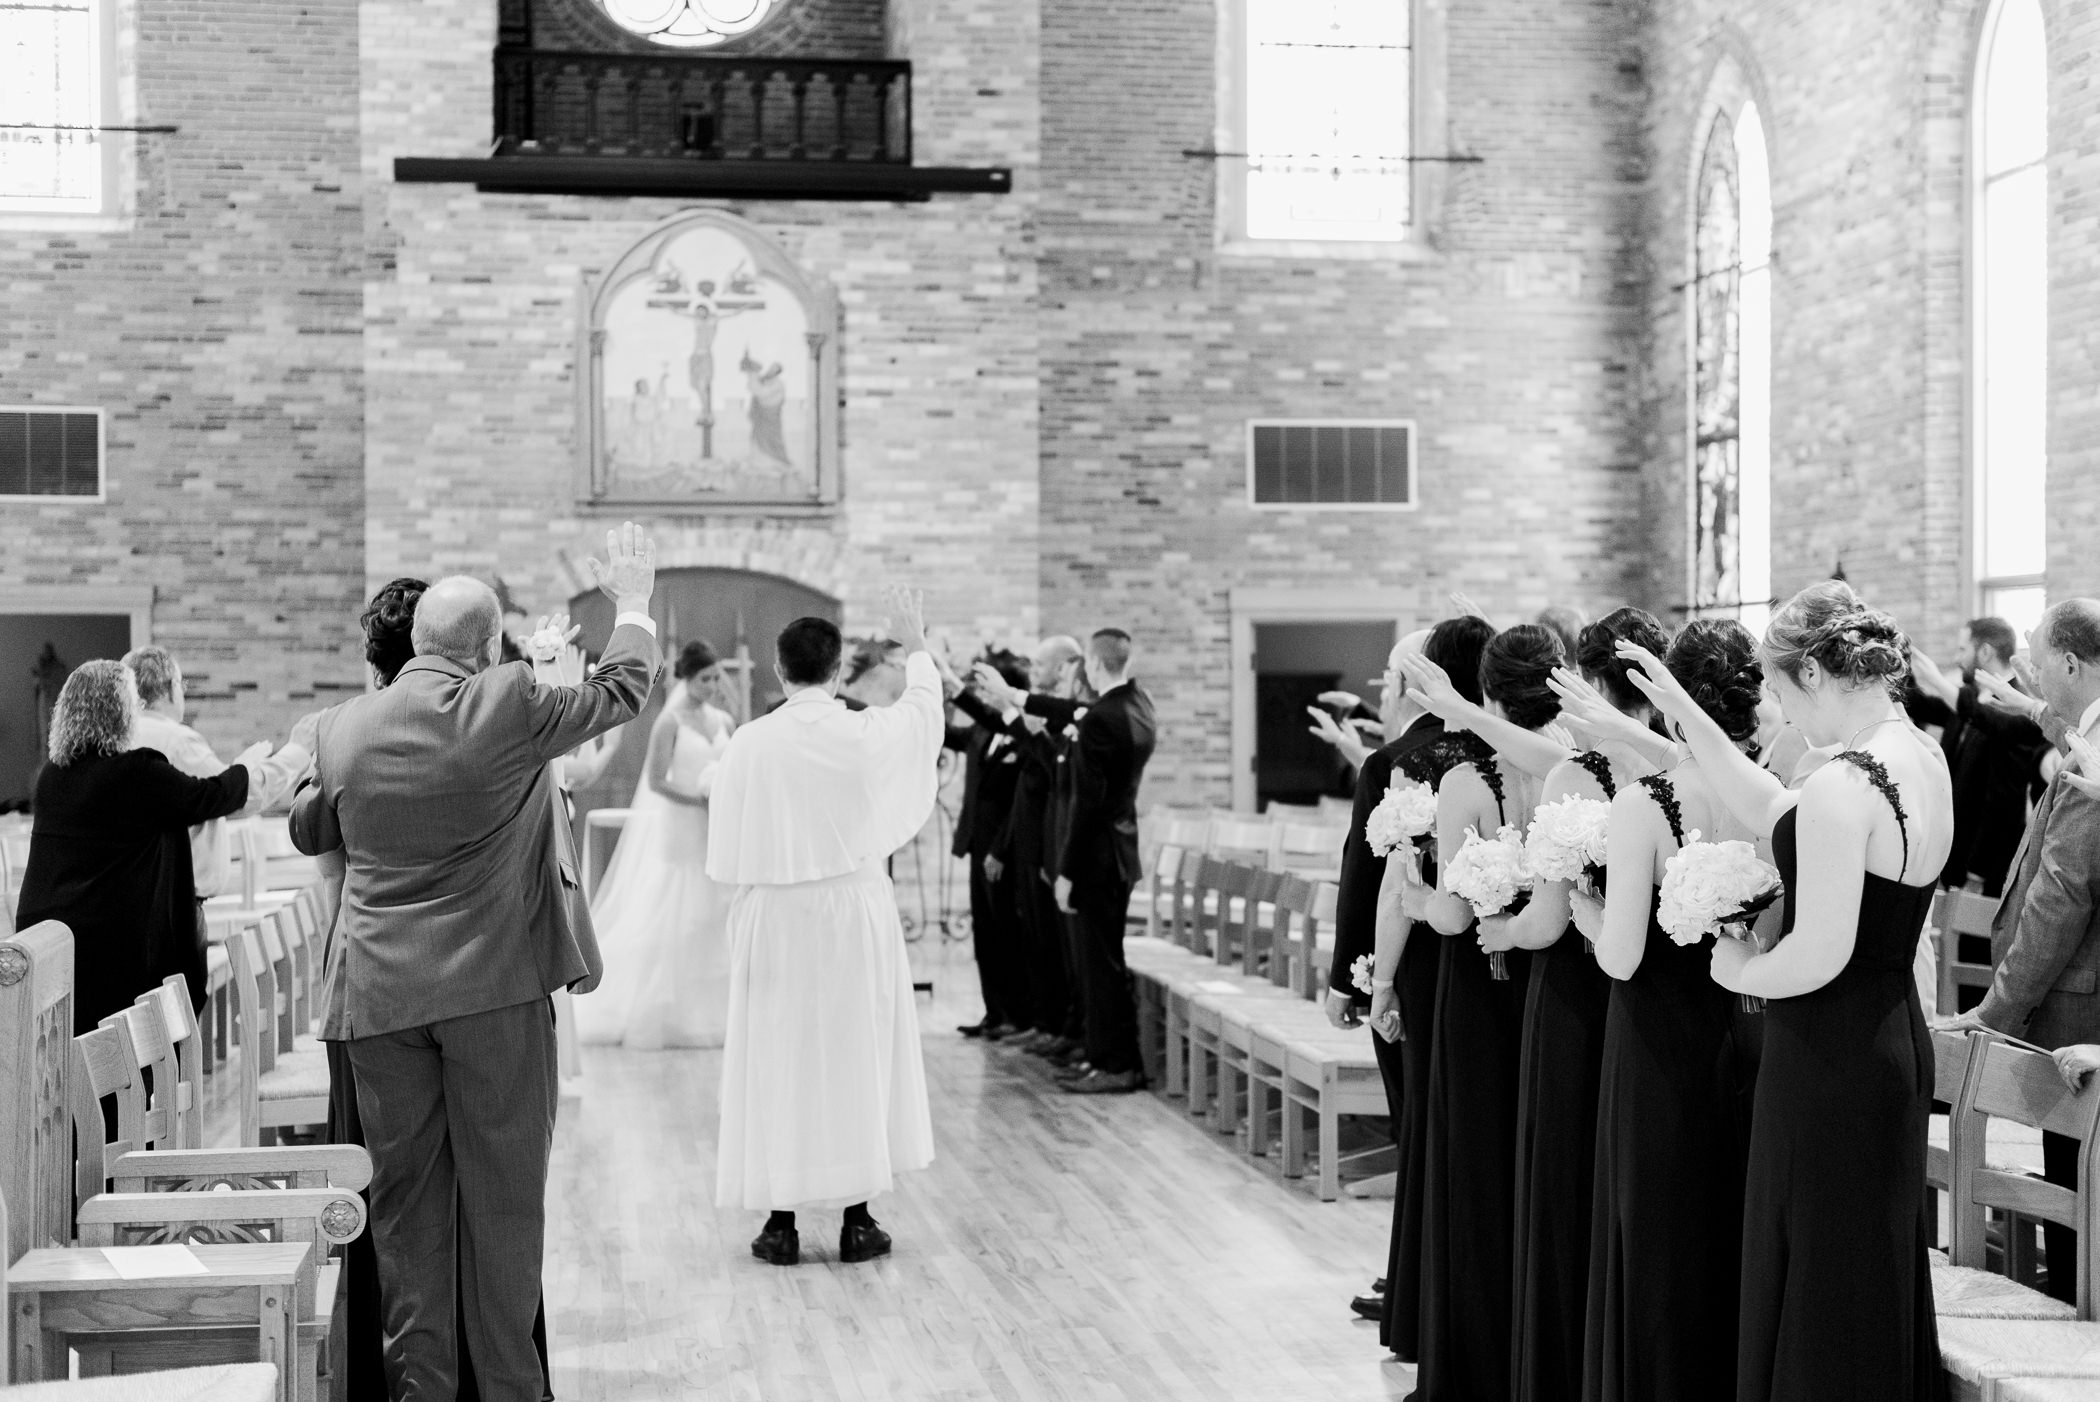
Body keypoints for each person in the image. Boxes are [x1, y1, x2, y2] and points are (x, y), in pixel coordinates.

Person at [291, 525, 660, 1400]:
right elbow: (623, 687)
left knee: (406, 1215)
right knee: (501, 1209)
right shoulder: (508, 703)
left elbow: (312, 822)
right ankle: (510, 1390)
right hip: (492, 993)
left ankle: (423, 1390)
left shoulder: (341, 728)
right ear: (491, 646)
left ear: (415, 641)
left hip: (379, 999)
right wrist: (635, 603)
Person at [1628, 582, 1952, 1401]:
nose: (1778, 711)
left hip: (1830, 1052)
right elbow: (1776, 809)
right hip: (1890, 1037)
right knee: (1858, 1259)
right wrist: (1683, 712)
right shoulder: (1917, 754)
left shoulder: (1845, 782)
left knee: (1819, 1264)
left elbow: (1817, 952)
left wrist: (1738, 973)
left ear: (1813, 672)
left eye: (1778, 690)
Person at [709, 594, 944, 1266]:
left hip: (774, 912)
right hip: (851, 912)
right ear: (838, 673)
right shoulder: (864, 732)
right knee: (854, 1052)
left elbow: (725, 850)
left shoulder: (750, 742)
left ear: (779, 674)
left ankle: (779, 1223)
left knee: (776, 1054)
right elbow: (924, 717)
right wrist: (915, 644)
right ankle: (857, 1220)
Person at [1578, 620, 1764, 1402]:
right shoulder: (1775, 798)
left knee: (1654, 1241)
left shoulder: (1644, 804)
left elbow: (1620, 956)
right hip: (1747, 1037)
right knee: (1729, 1233)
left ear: (1670, 702)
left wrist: (1582, 909)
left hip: (1655, 1046)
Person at [1493, 608, 1670, 1402]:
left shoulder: (1577, 775)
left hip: (1574, 995)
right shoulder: (1690, 767)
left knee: (1565, 1182)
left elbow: (1548, 920)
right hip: (1661, 1001)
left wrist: (1496, 923)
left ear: (1591, 683)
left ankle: (1563, 1370)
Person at [1385, 623, 1563, 1402]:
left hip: (1475, 990)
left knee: (1473, 1174)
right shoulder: (1565, 771)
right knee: (1530, 1175)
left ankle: (1473, 1366)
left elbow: (1455, 918)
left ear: (1485, 694)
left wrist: (1416, 892)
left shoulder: (1470, 781)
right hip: (1544, 987)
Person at [1330, 618, 1492, 1349]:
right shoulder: (1505, 748)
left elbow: (1369, 881)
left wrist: (1357, 981)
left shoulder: (1399, 760)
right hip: (1496, 962)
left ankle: (1417, 1288)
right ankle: (1435, 1282)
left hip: (1419, 964)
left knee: (1418, 1125)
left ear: (1415, 683)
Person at [1940, 597, 2100, 1305]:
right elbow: (2064, 731)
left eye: (2039, 653)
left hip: (2075, 1009)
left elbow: (2060, 897)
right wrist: (2030, 709)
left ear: (2071, 661)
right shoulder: (2083, 734)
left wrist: (1996, 1010)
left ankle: (2076, 1321)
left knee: (2076, 1199)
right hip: (2070, 1004)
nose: (2030, 662)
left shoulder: (2096, 758)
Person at [15, 659, 293, 1032]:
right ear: (122, 712)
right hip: (113, 943)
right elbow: (206, 797)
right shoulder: (136, 772)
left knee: (77, 1046)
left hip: (56, 938)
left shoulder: (53, 775)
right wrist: (244, 766)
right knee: (129, 1047)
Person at [576, 639, 737, 1049]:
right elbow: (655, 780)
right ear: (687, 679)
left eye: (716, 676)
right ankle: (667, 1010)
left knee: (714, 911)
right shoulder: (669, 722)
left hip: (715, 828)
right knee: (679, 909)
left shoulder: (724, 721)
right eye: (705, 678)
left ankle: (716, 1011)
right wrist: (699, 798)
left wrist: (723, 795)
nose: (712, 684)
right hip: (681, 823)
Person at [1040, 629, 1157, 1094]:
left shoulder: (1101, 719)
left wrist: (1067, 870)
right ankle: (1100, 1056)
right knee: (1103, 962)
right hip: (1120, 851)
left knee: (1100, 966)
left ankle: (1116, 1064)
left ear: (1091, 663)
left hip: (1097, 858)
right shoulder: (1139, 705)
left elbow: (1087, 805)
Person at [970, 637, 1087, 1058]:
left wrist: (1015, 709)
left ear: (1065, 668)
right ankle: (1047, 1022)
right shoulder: (1045, 715)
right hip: (1033, 840)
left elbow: (1057, 778)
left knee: (1056, 947)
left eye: (1041, 665)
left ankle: (1064, 1027)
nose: (1035, 670)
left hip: (1050, 842)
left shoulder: (1067, 717)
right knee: (1036, 940)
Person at [123, 644, 310, 907]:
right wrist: (297, 751)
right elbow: (239, 797)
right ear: (170, 688)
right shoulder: (177, 741)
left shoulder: (121, 738)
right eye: (182, 685)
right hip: (176, 901)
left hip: (137, 895)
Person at [1909, 616, 2048, 896]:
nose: (1957, 657)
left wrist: (1978, 869)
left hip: (1983, 862)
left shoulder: (2015, 708)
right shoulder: (1973, 696)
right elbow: (1922, 704)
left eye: (1962, 649)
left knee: (1973, 938)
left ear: (1984, 652)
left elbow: (2004, 799)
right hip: (1952, 849)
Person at [949, 648, 1035, 1041]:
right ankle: (994, 1012)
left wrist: (1000, 849)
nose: (983, 697)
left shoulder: (1024, 735)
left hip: (1006, 851)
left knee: (1006, 932)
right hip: (977, 844)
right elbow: (949, 734)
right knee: (984, 931)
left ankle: (1018, 1014)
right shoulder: (985, 730)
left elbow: (1020, 799)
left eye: (989, 689)